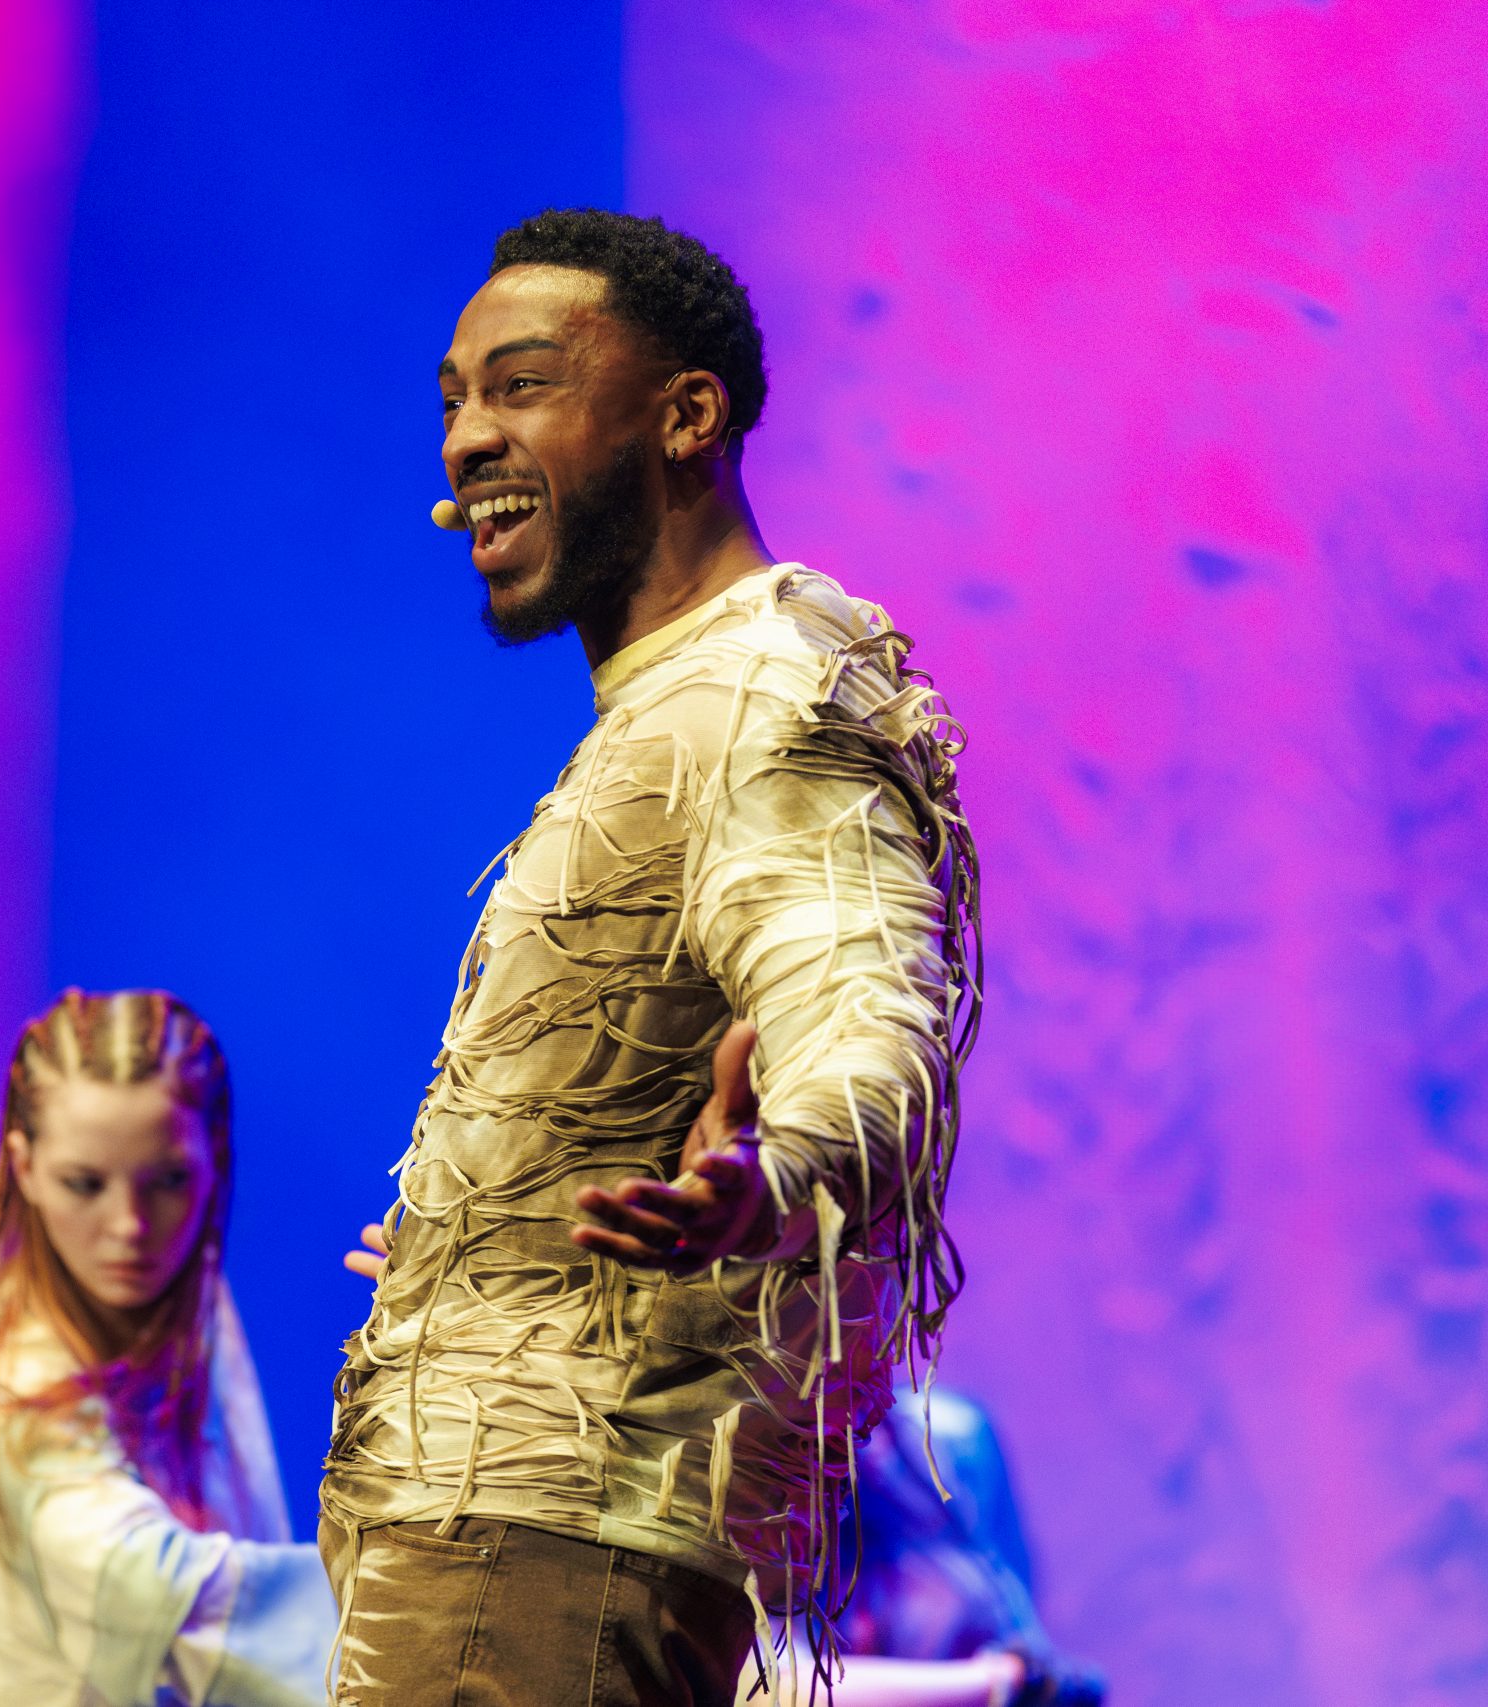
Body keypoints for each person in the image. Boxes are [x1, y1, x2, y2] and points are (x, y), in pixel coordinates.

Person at [323, 210, 981, 1706]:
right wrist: (478, 1236)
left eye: (523, 386)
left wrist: (769, 1177)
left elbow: (866, 1019)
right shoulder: (677, 703)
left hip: (539, 1546)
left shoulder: (766, 693)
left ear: (686, 415)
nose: (467, 440)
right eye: (455, 400)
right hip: (495, 1535)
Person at [0, 989, 335, 1707]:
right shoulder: (14, 1381)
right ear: (24, 1166)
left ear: (214, 1160)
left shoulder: (188, 1288)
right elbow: (164, 1600)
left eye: (168, 1180)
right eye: (84, 1183)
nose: (130, 1227)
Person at [744, 1389, 1104, 1707]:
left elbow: (1014, 1615)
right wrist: (1003, 1680)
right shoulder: (753, 1511)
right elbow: (780, 1693)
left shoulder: (953, 1435)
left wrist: (1033, 1677)